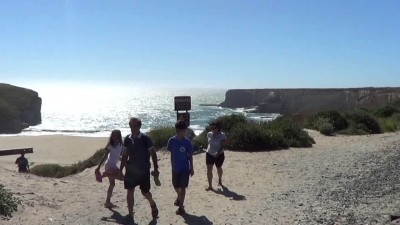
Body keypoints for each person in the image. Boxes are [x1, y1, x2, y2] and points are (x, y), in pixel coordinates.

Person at [119, 117, 159, 222]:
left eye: (134, 125)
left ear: (139, 126)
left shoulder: (146, 138)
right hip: (131, 170)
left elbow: (153, 154)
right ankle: (131, 215)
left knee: (145, 192)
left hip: (144, 170)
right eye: (130, 125)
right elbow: (124, 155)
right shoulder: (127, 139)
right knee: (130, 191)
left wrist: (156, 168)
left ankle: (152, 203)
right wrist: (120, 170)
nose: (132, 128)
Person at [167, 120, 195, 215]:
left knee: (183, 187)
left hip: (184, 168)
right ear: (178, 129)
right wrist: (172, 165)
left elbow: (190, 156)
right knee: (175, 186)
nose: (184, 131)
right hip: (175, 168)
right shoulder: (171, 141)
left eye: (184, 129)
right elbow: (171, 154)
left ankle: (181, 207)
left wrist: (191, 168)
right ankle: (179, 197)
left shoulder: (187, 142)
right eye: (182, 129)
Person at [95, 129, 124, 208]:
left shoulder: (121, 144)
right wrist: (98, 167)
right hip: (109, 165)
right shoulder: (111, 145)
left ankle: (107, 202)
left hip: (113, 165)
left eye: (115, 135)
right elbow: (104, 156)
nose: (113, 136)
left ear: (119, 136)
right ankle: (105, 174)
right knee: (122, 178)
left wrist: (124, 161)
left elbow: (118, 156)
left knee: (112, 184)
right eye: (112, 135)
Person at [205, 120, 227, 191]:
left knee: (219, 168)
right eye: (212, 128)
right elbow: (208, 144)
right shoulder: (209, 134)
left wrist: (217, 153)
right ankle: (210, 186)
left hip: (219, 154)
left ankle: (220, 180)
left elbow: (222, 146)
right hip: (209, 153)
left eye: (215, 128)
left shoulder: (222, 135)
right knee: (209, 170)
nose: (213, 129)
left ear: (218, 128)